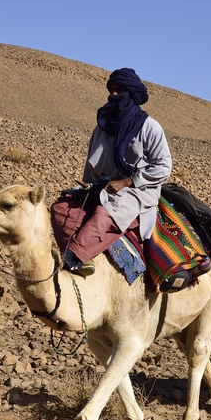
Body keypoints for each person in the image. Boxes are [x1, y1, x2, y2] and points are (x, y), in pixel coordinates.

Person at [56, 68, 172, 275]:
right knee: (62, 207)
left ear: (132, 94)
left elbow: (163, 166)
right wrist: (87, 189)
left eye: (120, 90)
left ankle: (75, 258)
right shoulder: (102, 127)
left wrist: (128, 181)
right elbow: (92, 163)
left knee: (106, 211)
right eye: (112, 89)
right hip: (102, 185)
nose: (114, 95)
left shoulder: (149, 127)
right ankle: (79, 252)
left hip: (137, 189)